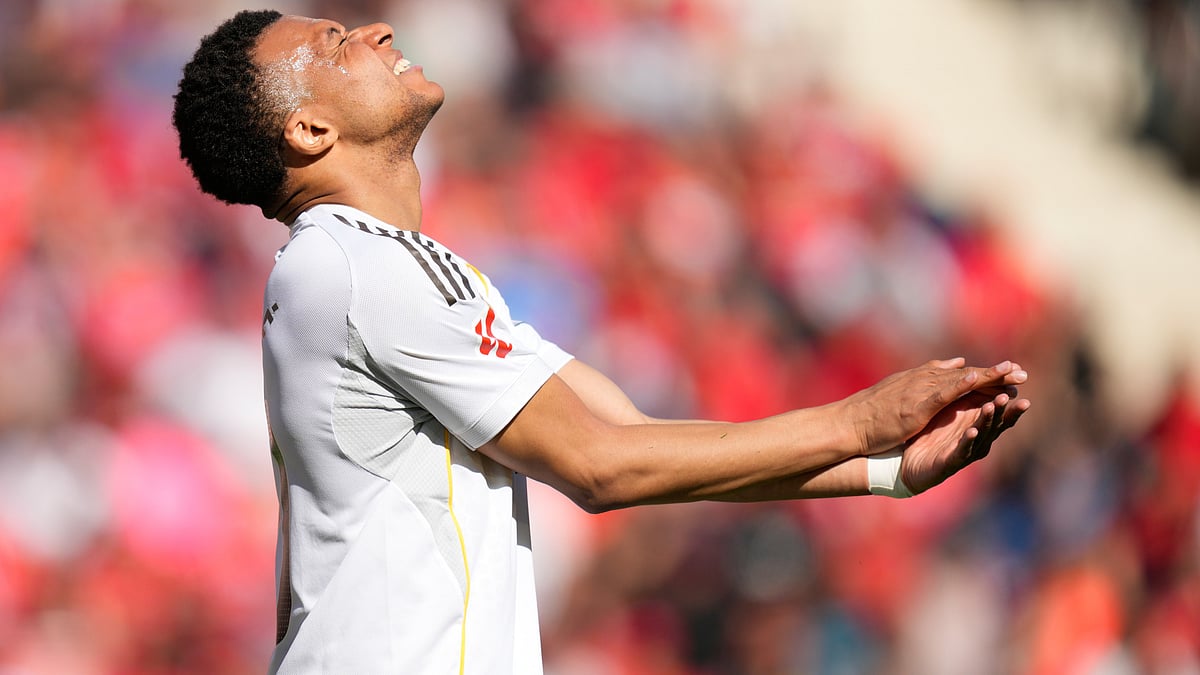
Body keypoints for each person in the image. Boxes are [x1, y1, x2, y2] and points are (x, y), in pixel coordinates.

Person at [172, 10, 1031, 674]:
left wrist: (882, 469)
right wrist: (857, 423)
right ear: (309, 132)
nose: (376, 31)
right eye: (335, 43)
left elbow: (629, 436)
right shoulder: (363, 267)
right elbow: (601, 466)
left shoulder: (373, 270)